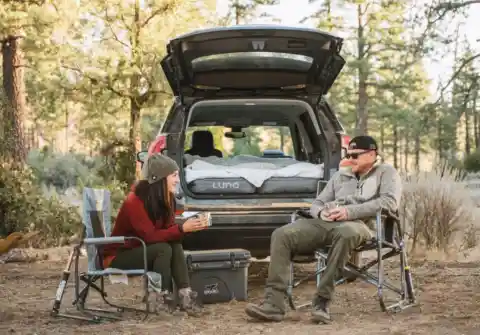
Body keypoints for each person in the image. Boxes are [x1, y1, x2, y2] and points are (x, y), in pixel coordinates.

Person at [245, 135, 402, 324]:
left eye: (355, 155)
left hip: (360, 225)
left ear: (371, 154)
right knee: (282, 234)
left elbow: (389, 202)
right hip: (327, 222)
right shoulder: (340, 175)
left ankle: (322, 301)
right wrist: (321, 213)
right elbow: (317, 203)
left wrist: (349, 212)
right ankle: (273, 305)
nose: (349, 159)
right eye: (348, 154)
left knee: (345, 234)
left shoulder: (386, 172)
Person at [102, 153, 209, 312]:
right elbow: (149, 236)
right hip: (118, 256)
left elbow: (168, 231)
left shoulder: (167, 198)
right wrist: (181, 228)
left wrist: (189, 226)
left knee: (175, 244)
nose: (178, 180)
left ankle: (184, 295)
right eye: (174, 175)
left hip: (145, 249)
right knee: (163, 249)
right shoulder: (134, 201)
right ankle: (160, 298)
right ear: (158, 179)